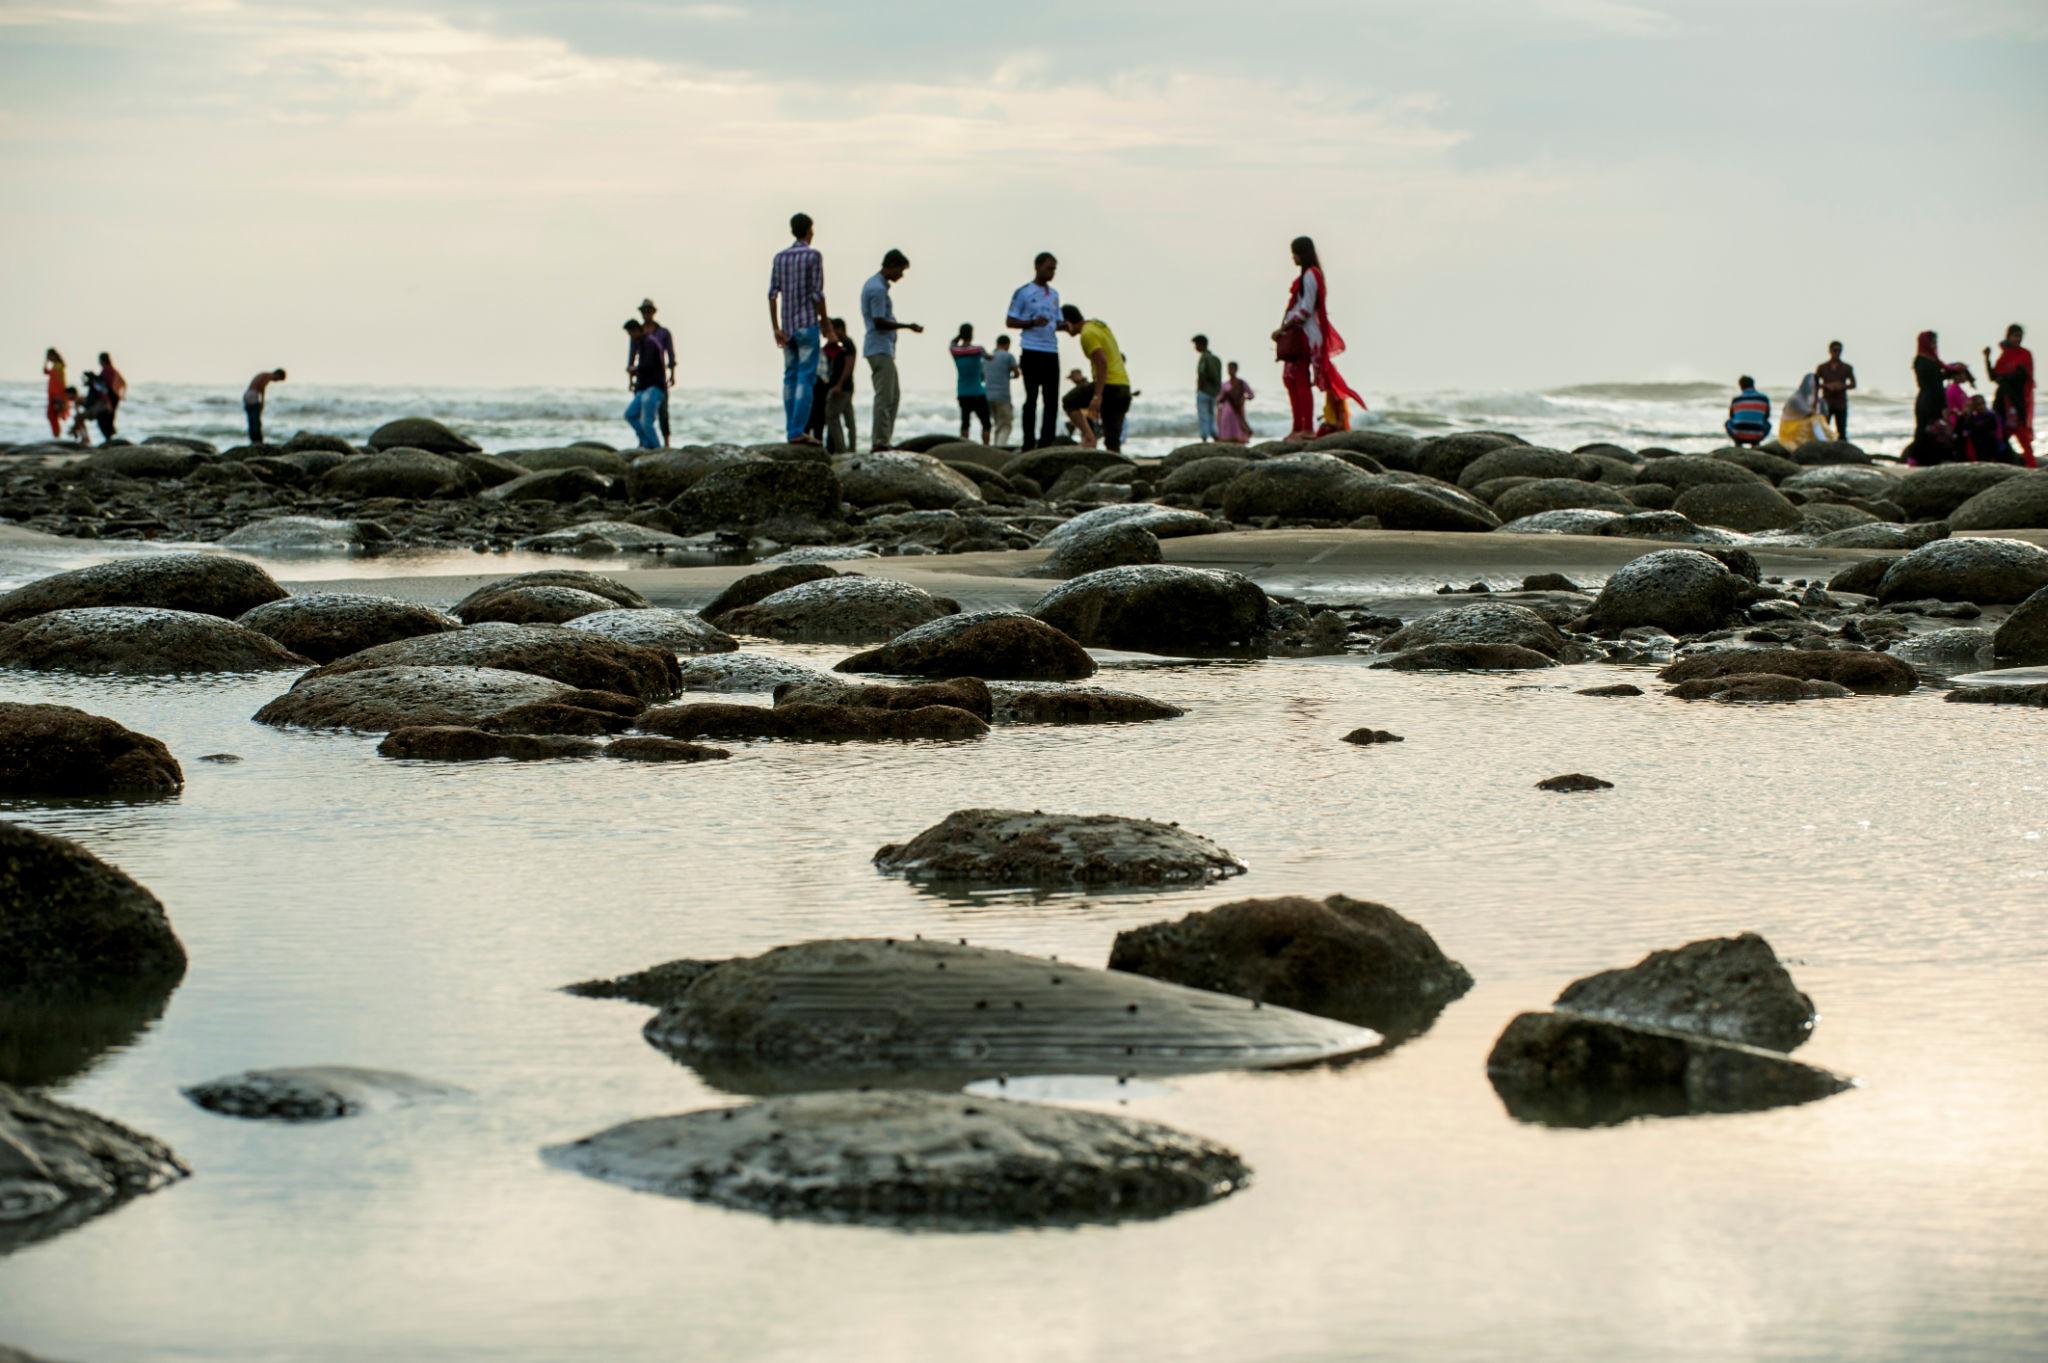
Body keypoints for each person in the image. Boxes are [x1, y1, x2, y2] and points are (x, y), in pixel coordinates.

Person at [1272, 236, 1366, 441]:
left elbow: (1305, 309)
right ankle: (1297, 426)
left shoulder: (1311, 275)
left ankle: (1305, 428)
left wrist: (1283, 329)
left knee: (1300, 381)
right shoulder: (1307, 275)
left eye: (1294, 253)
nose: (1292, 258)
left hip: (1306, 335)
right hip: (1299, 333)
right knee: (1290, 379)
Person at [767, 212, 830, 446]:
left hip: (787, 327)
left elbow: (772, 294)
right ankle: (797, 430)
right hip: (807, 324)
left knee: (789, 378)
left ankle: (791, 429)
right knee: (806, 377)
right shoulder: (813, 255)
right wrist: (826, 324)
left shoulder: (779, 258)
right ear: (808, 230)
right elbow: (817, 293)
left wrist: (775, 327)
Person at [861, 249, 921, 451]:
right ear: (892, 266)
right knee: (885, 397)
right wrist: (907, 326)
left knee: (892, 396)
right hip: (879, 347)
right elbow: (879, 321)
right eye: (901, 270)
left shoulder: (877, 286)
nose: (901, 275)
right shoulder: (877, 289)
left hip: (881, 348)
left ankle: (883, 439)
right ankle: (879, 442)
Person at [1006, 252, 1062, 451]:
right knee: (1031, 398)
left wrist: (1072, 325)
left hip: (1051, 350)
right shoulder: (1024, 292)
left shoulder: (1054, 294)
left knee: (1051, 400)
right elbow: (1010, 321)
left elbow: (1057, 321)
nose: (1052, 272)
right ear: (1037, 267)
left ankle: (1047, 442)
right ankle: (1028, 442)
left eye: (1054, 269)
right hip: (1031, 349)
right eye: (1049, 268)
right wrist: (1031, 322)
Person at [1061, 305, 1132, 454]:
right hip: (1124, 387)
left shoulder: (1087, 334)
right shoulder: (1097, 325)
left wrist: (1097, 396)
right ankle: (1118, 472)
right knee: (1112, 441)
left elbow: (1102, 362)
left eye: (1063, 328)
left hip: (1109, 386)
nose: (1065, 332)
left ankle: (1089, 437)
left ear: (1067, 322)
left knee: (1069, 401)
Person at [1985, 325, 2035, 466]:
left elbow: (2023, 377)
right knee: (2000, 434)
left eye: (2020, 336)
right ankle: (2000, 463)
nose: (2018, 339)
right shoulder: (2004, 355)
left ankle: (2032, 466)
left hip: (2016, 400)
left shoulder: (2024, 354)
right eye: (2015, 336)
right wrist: (1987, 359)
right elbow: (1993, 376)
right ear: (2008, 336)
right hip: (2002, 400)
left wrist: (2005, 378)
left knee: (2022, 435)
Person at [1912, 331, 1972, 447]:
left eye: (1935, 342)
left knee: (1935, 431)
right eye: (1932, 342)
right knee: (1926, 430)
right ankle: (1916, 459)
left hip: (1931, 398)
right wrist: (1943, 406)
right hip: (1928, 400)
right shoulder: (1923, 361)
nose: (1934, 345)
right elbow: (1934, 383)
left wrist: (1951, 371)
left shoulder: (1931, 360)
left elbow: (1937, 379)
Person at [637, 300, 677, 448]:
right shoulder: (638, 332)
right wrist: (630, 378)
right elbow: (632, 355)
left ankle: (666, 444)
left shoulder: (663, 332)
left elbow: (671, 354)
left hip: (659, 378)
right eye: (644, 311)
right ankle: (643, 442)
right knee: (641, 412)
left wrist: (672, 374)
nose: (646, 314)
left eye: (649, 311)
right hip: (642, 379)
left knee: (663, 412)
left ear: (653, 312)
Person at [621, 319, 666, 450]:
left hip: (655, 387)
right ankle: (647, 443)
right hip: (644, 387)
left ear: (636, 330)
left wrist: (634, 369)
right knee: (630, 414)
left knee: (647, 422)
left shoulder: (650, 343)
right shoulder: (641, 343)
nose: (630, 337)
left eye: (630, 334)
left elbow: (649, 365)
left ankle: (657, 448)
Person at [818, 317, 857, 454]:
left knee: (831, 416)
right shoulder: (841, 344)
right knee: (849, 418)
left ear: (839, 329)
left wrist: (839, 384)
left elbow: (849, 364)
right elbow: (826, 353)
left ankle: (841, 449)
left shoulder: (847, 343)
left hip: (842, 387)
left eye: (833, 329)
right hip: (845, 387)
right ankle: (851, 448)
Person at [949, 324, 991, 442]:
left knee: (965, 422)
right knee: (986, 423)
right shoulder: (978, 349)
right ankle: (986, 447)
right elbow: (989, 357)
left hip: (963, 392)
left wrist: (959, 336)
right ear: (972, 334)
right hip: (977, 391)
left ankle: (964, 445)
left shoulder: (955, 350)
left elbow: (952, 342)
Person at [1814, 341, 1855, 442]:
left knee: (1842, 432)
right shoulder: (1822, 367)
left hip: (1841, 403)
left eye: (1839, 350)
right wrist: (1826, 386)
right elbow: (1815, 384)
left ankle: (1843, 453)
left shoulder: (1847, 367)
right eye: (1835, 350)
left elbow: (1853, 384)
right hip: (1826, 403)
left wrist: (1842, 386)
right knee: (1823, 430)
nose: (1837, 353)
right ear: (1830, 351)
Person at [1958, 393, 2015, 464]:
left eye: (1983, 403)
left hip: (1996, 449)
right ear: (1974, 406)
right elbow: (1964, 431)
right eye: (1978, 404)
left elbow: (2000, 433)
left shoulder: (1992, 416)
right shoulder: (1972, 419)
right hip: (1980, 452)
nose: (1981, 406)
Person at [1778, 374, 1829, 449]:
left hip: (1801, 425)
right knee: (1816, 419)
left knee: (1818, 419)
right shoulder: (1795, 399)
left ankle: (1823, 442)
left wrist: (1816, 397)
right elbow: (1810, 413)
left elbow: (1822, 413)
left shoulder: (1809, 398)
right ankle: (1823, 442)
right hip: (1790, 428)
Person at [984, 335, 1018, 447]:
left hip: (988, 395)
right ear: (1007, 344)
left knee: (997, 423)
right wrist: (1010, 376)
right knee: (1006, 424)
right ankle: (1000, 446)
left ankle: (994, 446)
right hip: (1002, 395)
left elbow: (982, 376)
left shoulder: (987, 357)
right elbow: (1016, 372)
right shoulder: (1008, 356)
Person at [1724, 376, 1771, 446]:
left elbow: (1731, 416)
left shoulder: (1736, 399)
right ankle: (1755, 444)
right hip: (1757, 434)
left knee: (1728, 423)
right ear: (1753, 384)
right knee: (1768, 424)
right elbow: (1766, 416)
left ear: (1741, 386)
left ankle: (1738, 444)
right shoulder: (1763, 398)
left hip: (1738, 434)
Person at [243, 368, 286, 445]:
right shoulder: (269, 376)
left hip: (247, 394)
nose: (276, 381)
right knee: (256, 420)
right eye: (278, 379)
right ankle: (258, 441)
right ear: (278, 374)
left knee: (251, 421)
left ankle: (253, 441)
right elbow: (262, 387)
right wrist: (262, 402)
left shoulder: (263, 374)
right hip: (253, 395)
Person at [1193, 334, 1223, 441]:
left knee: (1203, 416)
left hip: (1204, 391)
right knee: (1211, 415)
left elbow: (1202, 374)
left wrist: (1200, 388)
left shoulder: (1204, 358)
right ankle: (1215, 435)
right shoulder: (1215, 358)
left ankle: (1204, 437)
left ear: (1201, 344)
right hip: (1213, 392)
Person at [1217, 361, 1254, 443]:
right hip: (1227, 409)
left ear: (1236, 370)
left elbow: (1251, 395)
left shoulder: (1241, 383)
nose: (1230, 371)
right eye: (1229, 369)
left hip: (1238, 408)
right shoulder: (1225, 384)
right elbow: (1219, 399)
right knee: (1226, 424)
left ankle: (1240, 439)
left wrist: (1244, 398)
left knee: (1238, 424)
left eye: (1232, 369)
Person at [1061, 367, 1098, 447]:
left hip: (1089, 416)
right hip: (1088, 416)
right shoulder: (1081, 388)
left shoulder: (1083, 388)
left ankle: (1089, 439)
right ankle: (1088, 439)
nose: (1072, 380)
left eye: (1072, 377)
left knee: (1067, 400)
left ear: (1078, 375)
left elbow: (1068, 402)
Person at [43, 349, 69, 439]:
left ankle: (57, 435)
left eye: (49, 356)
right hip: (53, 394)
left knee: (52, 414)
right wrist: (46, 362)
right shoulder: (55, 365)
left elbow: (59, 381)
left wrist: (59, 396)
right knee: (52, 415)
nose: (48, 358)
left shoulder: (58, 366)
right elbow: (45, 372)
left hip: (56, 394)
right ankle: (56, 435)